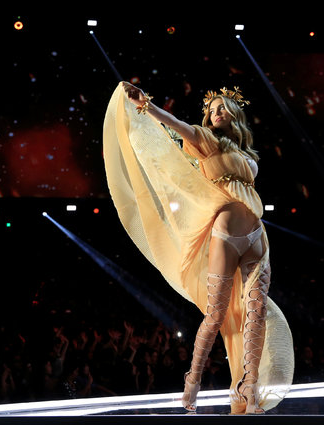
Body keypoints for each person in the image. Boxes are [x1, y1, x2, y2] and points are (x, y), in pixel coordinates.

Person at [102, 81, 294, 414]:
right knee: (216, 314)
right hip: (226, 234)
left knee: (256, 311)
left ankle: (249, 387)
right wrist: (147, 105)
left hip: (257, 236)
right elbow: (177, 125)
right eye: (211, 110)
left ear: (234, 114)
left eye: (221, 108)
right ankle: (192, 380)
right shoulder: (207, 141)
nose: (215, 113)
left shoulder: (247, 154)